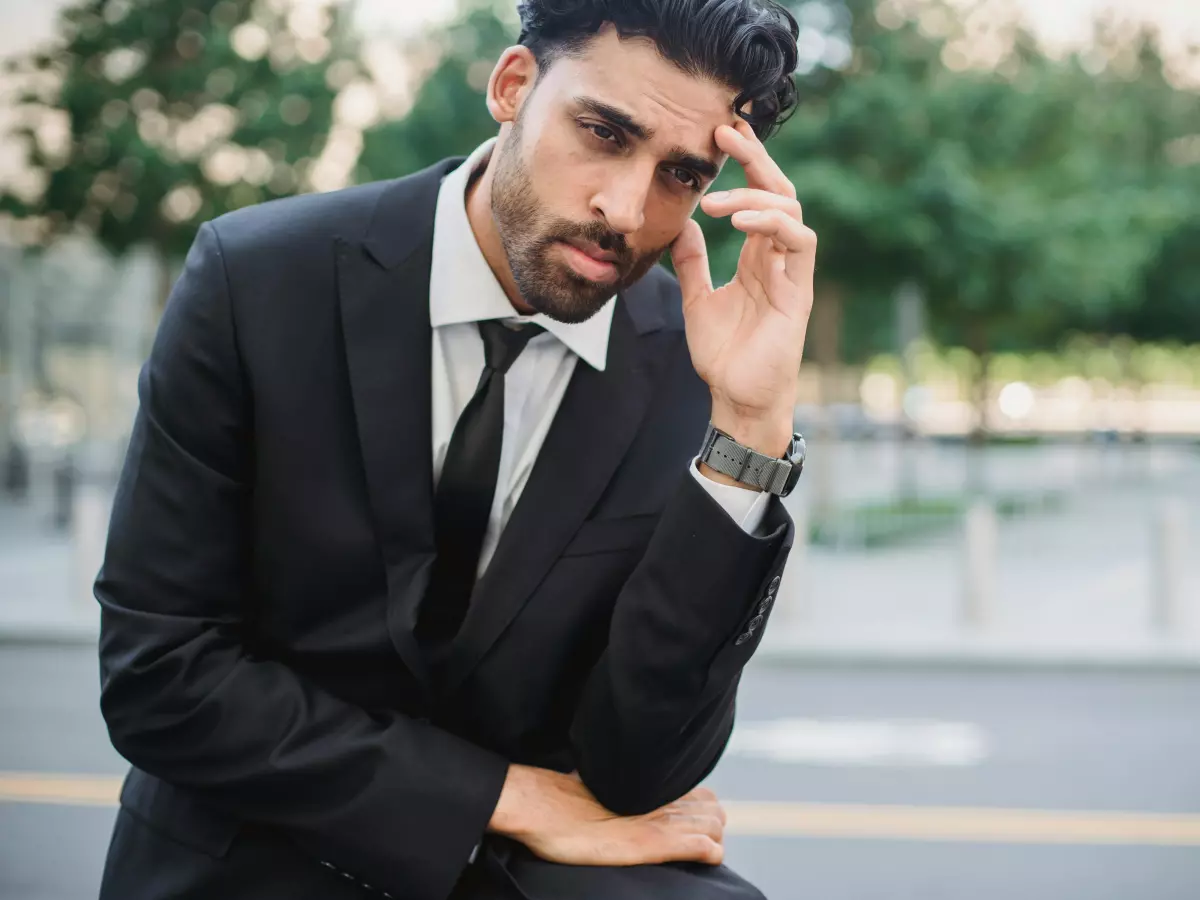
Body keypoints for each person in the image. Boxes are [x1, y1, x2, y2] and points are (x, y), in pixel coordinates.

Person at [94, 1, 813, 898]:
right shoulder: (257, 279)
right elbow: (162, 677)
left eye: (681, 175)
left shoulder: (699, 366)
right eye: (601, 132)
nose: (624, 210)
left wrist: (746, 433)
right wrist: (496, 797)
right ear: (513, 86)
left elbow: (641, 773)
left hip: (527, 872)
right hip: (253, 840)